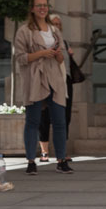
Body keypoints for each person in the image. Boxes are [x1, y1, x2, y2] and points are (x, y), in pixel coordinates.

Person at [14, 0, 72, 175]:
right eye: (39, 5)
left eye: (45, 5)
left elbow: (61, 57)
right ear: (32, 8)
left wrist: (57, 54)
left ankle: (61, 160)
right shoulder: (24, 31)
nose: (42, 8)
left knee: (60, 121)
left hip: (55, 78)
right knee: (33, 121)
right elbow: (21, 58)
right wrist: (42, 53)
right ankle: (31, 161)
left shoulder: (54, 30)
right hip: (35, 80)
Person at [38, 14, 73, 162]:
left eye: (59, 24)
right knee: (44, 116)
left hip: (64, 81)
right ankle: (44, 151)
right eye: (54, 24)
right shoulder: (41, 41)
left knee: (65, 116)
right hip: (48, 81)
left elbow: (65, 64)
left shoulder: (64, 42)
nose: (57, 26)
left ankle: (62, 152)